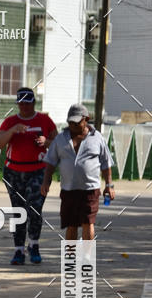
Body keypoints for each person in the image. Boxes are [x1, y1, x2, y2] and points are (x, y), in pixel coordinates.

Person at [0, 87, 57, 265]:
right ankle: (18, 250)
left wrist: (47, 141)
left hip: (38, 171)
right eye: (21, 103)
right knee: (18, 211)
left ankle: (34, 245)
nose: (24, 107)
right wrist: (13, 130)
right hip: (14, 172)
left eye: (27, 103)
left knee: (35, 209)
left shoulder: (44, 120)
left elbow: (59, 145)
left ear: (33, 103)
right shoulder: (10, 122)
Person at [41, 103, 114, 240]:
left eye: (76, 122)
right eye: (70, 122)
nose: (73, 125)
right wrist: (46, 182)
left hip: (90, 190)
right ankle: (71, 260)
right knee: (71, 224)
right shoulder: (60, 139)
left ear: (86, 119)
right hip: (68, 190)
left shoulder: (97, 138)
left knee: (88, 223)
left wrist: (109, 186)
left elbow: (106, 163)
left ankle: (87, 260)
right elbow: (50, 161)